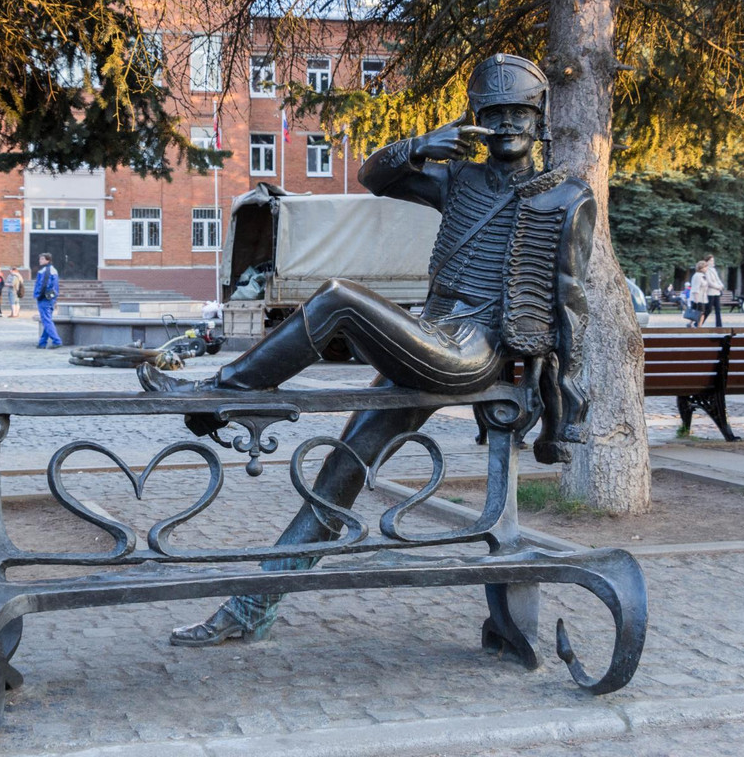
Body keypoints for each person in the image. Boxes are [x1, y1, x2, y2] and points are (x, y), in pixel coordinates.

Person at [138, 53, 596, 646]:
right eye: (494, 112)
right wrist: (425, 143)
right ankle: (254, 605)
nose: (508, 124)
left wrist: (561, 416)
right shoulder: (456, 179)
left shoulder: (567, 198)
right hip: (432, 332)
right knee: (344, 465)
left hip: (472, 349)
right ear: (475, 117)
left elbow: (570, 309)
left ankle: (225, 392)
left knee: (338, 299)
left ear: (540, 120)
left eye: (520, 113)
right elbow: (375, 176)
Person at [34, 253, 62, 348]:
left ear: (47, 260)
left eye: (42, 259)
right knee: (47, 319)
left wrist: (39, 296)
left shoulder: (45, 271)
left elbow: (43, 285)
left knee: (46, 320)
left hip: (44, 298)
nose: (40, 260)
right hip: (50, 297)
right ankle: (42, 342)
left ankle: (56, 340)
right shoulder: (53, 270)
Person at [704, 254, 725, 327]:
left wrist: (721, 285)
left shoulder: (714, 270)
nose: (713, 262)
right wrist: (718, 287)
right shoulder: (706, 270)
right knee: (708, 309)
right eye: (711, 260)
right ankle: (698, 322)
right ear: (707, 262)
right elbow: (709, 282)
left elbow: (717, 279)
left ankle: (719, 325)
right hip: (710, 293)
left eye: (713, 260)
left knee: (718, 310)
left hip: (717, 293)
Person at [689, 260, 709, 328]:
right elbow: (695, 288)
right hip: (698, 298)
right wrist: (696, 299)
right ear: (701, 268)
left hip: (703, 298)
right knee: (701, 313)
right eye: (705, 267)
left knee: (699, 313)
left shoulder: (703, 276)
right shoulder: (697, 276)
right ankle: (699, 326)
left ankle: (691, 324)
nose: (707, 268)